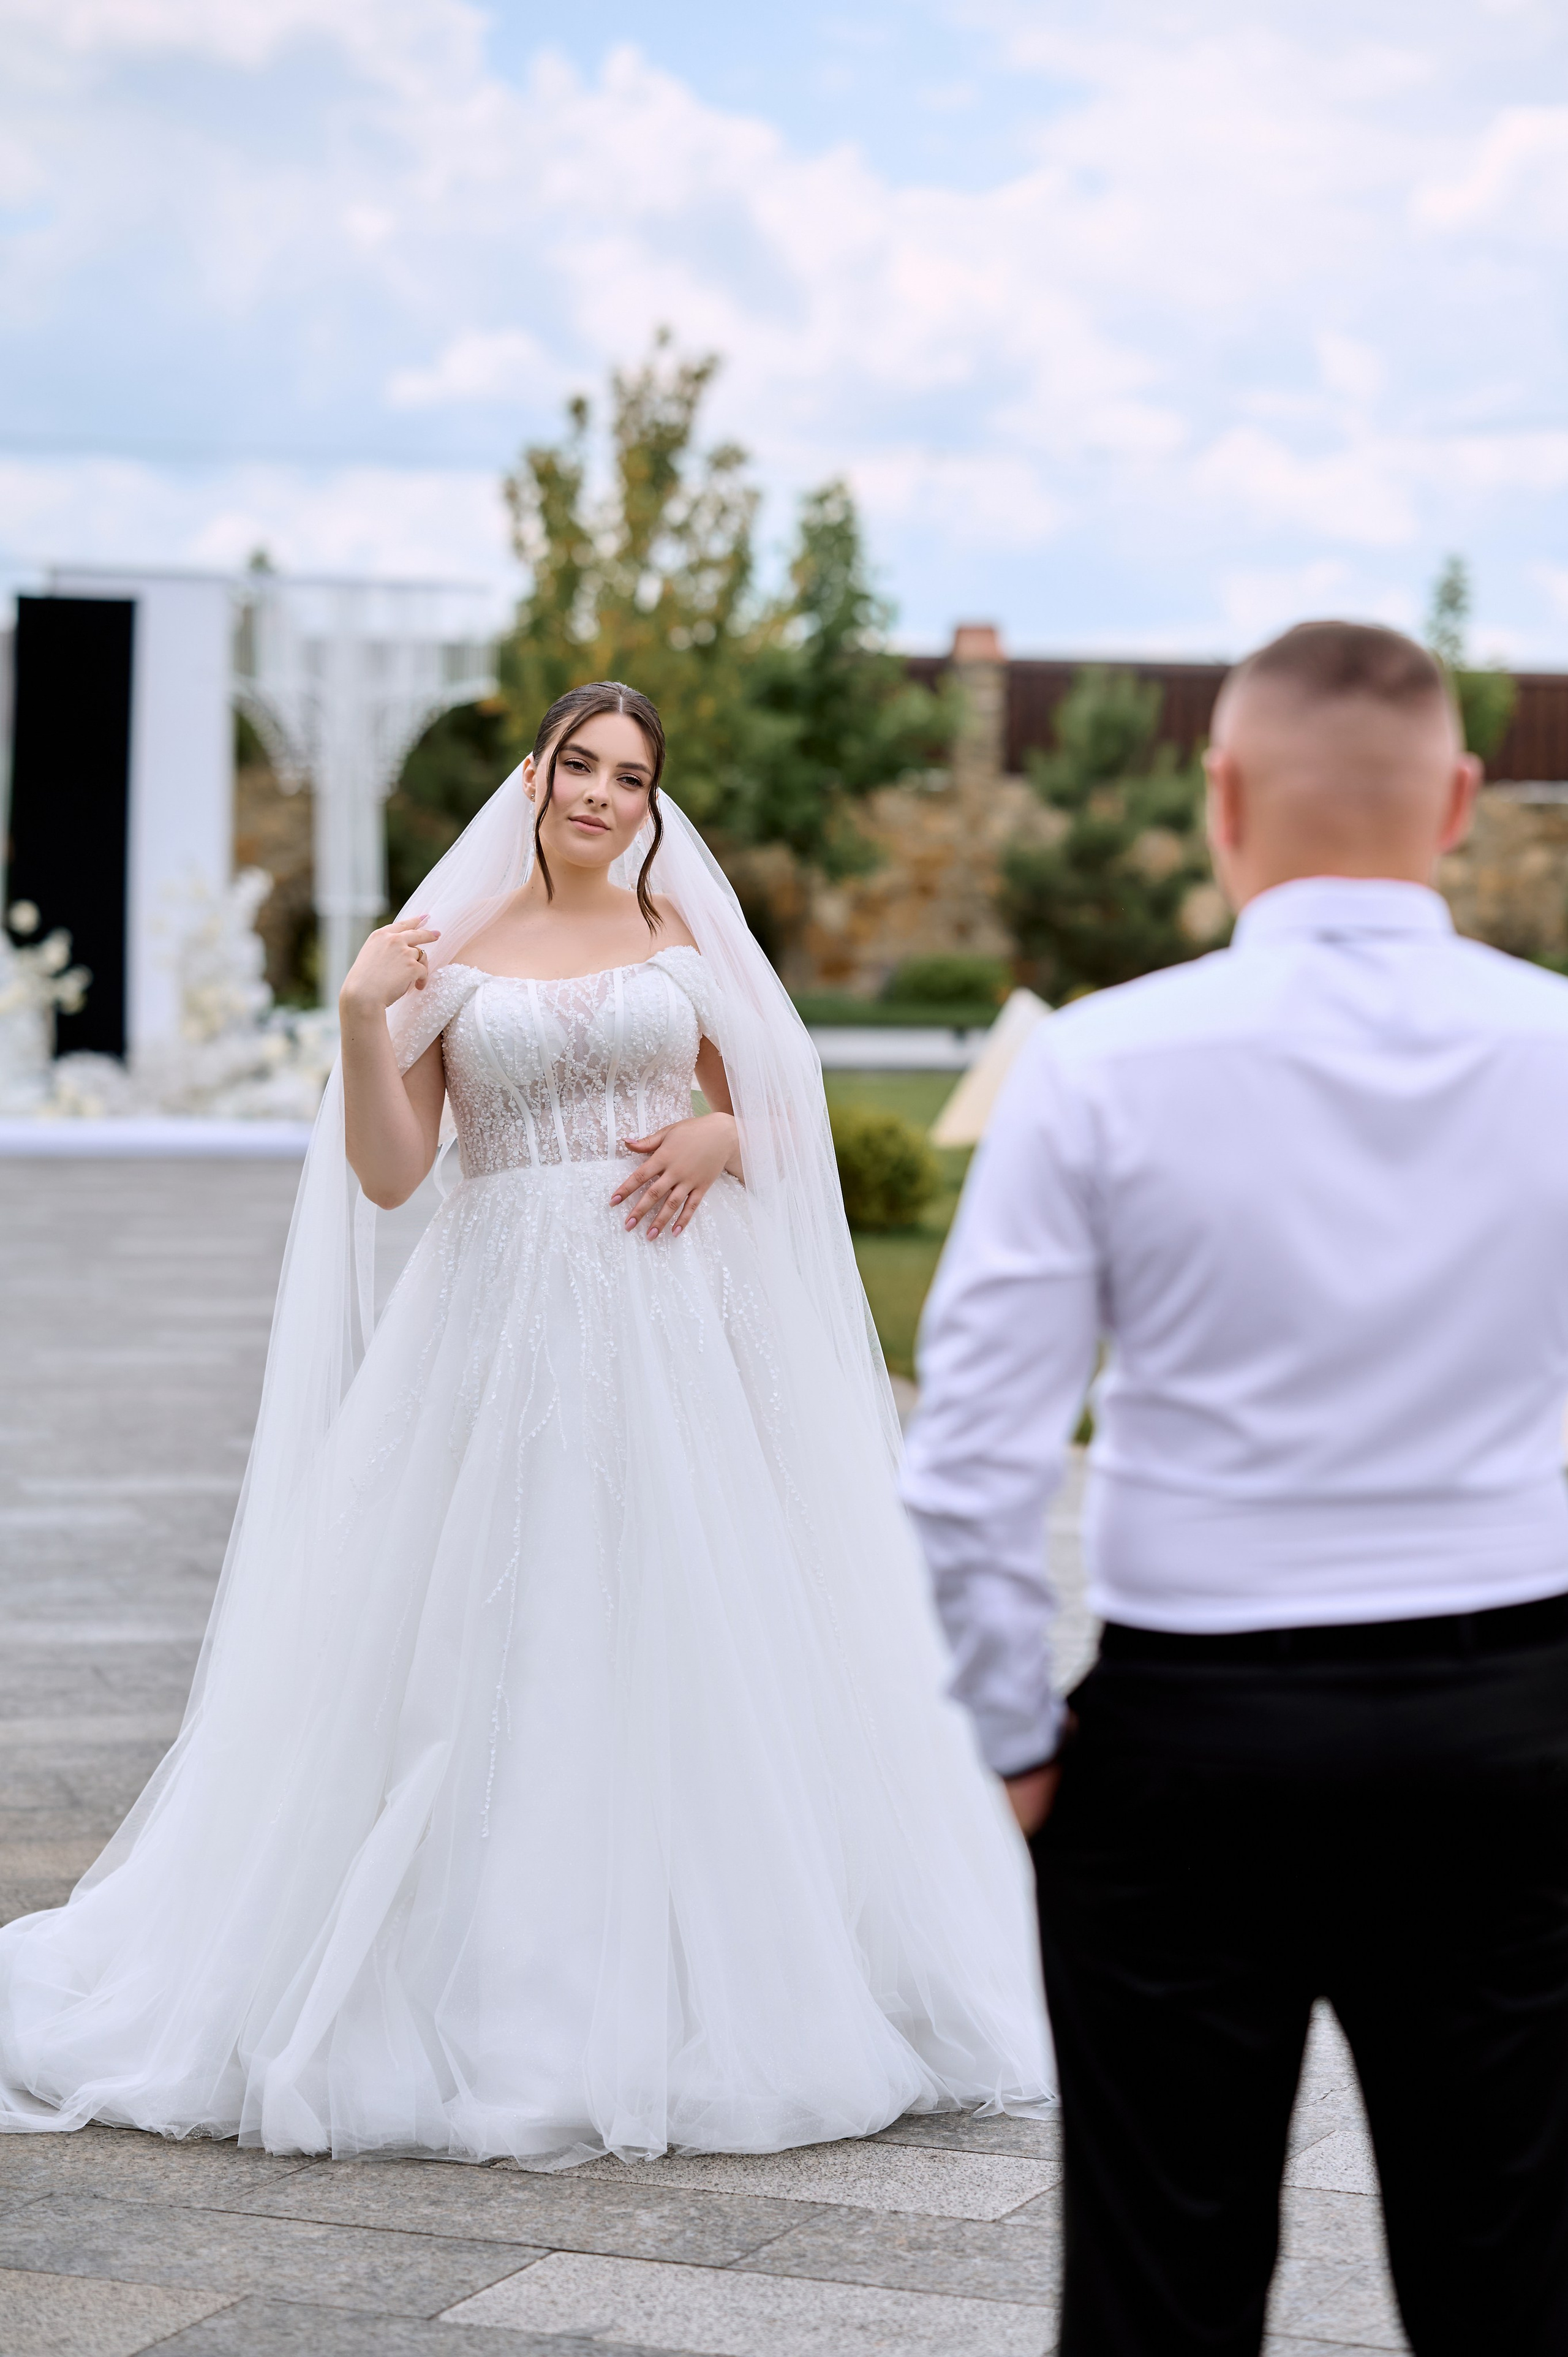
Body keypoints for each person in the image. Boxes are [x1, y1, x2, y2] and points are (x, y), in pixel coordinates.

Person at [0, 681, 1050, 2163]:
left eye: (630, 776)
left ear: (650, 804)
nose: (602, 795)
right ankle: (477, 1974)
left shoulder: (683, 943)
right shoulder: (445, 958)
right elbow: (389, 1171)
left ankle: (739, 1961)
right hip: (490, 1324)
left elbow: (793, 1120)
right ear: (533, 775)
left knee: (691, 1612)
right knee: (484, 1626)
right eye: (579, 765)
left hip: (677, 1318)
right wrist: (366, 1013)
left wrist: (720, 1131)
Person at [902, 620, 1568, 2356]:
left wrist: (1016, 1744)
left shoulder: (1104, 1064)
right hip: (1518, 1731)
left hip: (1192, 1743)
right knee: (1527, 2278)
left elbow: (973, 1453)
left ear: (1218, 794)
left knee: (1159, 2290)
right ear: (1462, 803)